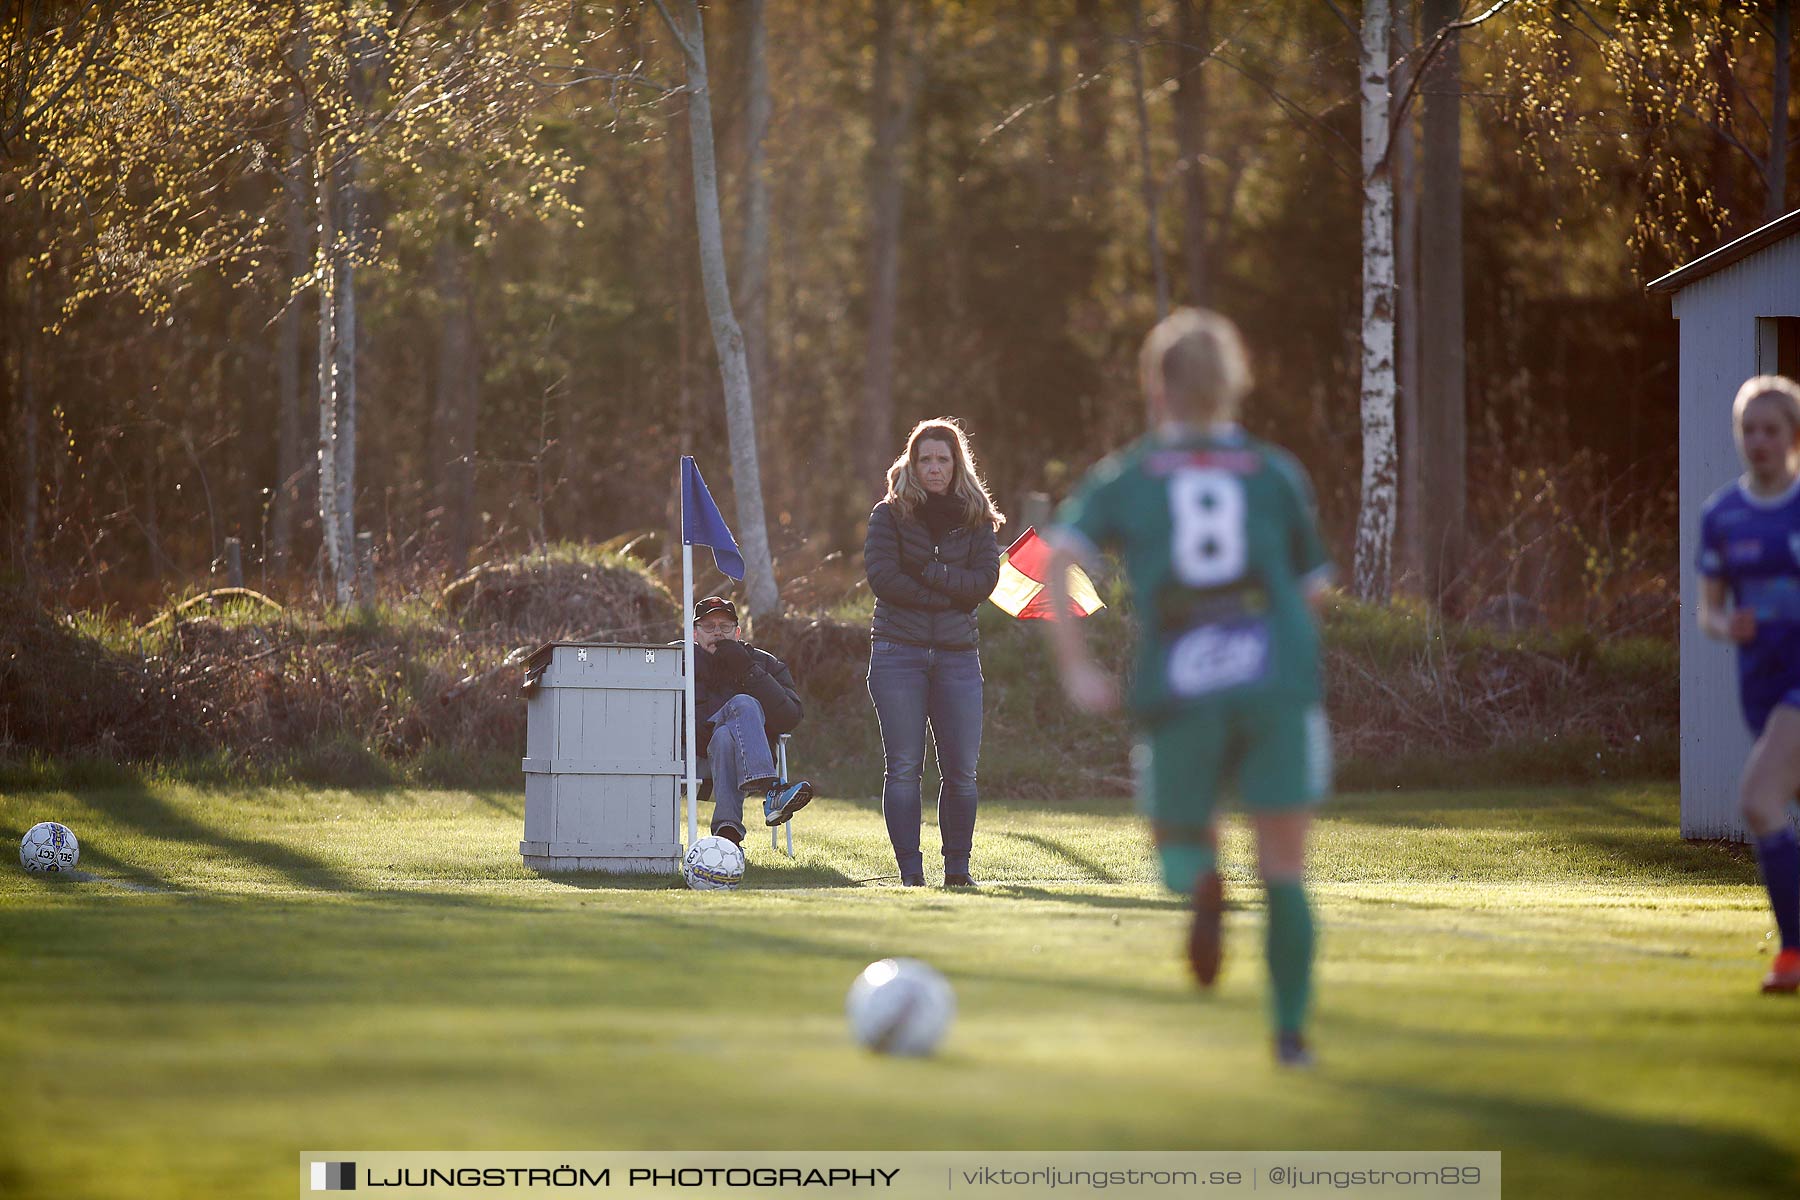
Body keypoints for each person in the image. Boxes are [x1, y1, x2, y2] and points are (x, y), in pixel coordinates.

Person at [1040, 308, 1333, 1067]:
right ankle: (1291, 1035)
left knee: (1175, 850)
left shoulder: (1132, 476)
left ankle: (1202, 883)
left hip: (1180, 682)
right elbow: (1315, 590)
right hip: (1273, 679)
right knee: (1284, 869)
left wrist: (1078, 666)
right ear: (1234, 383)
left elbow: (1053, 558)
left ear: (1155, 388)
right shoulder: (1273, 472)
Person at [863, 418, 1003, 887]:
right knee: (903, 768)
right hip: (896, 653)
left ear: (957, 463)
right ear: (913, 463)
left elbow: (984, 582)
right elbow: (884, 579)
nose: (935, 467)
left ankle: (958, 872)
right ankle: (910, 874)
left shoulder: (977, 518)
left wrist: (929, 573)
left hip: (958, 658)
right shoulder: (888, 515)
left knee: (962, 772)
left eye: (944, 459)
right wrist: (948, 593)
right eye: (926, 459)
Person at [1695, 374, 1800, 994]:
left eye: (1771, 429)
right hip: (1758, 686)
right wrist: (1723, 624)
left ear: (1792, 436)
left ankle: (1793, 954)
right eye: (1749, 430)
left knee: (1757, 798)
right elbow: (1707, 610)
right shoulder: (1722, 516)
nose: (1758, 440)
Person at [688, 595, 812, 845]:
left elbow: (790, 718)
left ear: (737, 632)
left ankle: (727, 837)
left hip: (741, 761)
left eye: (724, 627)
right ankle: (772, 790)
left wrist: (747, 670)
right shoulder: (678, 661)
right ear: (694, 634)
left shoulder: (762, 662)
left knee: (725, 737)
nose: (717, 634)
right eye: (709, 627)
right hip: (694, 759)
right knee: (742, 705)